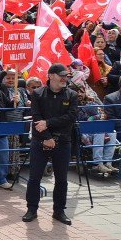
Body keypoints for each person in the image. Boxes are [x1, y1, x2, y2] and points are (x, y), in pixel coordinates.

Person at [23, 64, 79, 225]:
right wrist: (47, 136)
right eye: (61, 75)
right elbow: (36, 118)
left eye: (66, 76)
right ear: (51, 76)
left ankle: (59, 211)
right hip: (41, 140)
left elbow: (71, 117)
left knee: (62, 179)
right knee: (35, 177)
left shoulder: (71, 94)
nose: (64, 78)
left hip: (63, 141)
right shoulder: (38, 93)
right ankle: (31, 209)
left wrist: (48, 122)